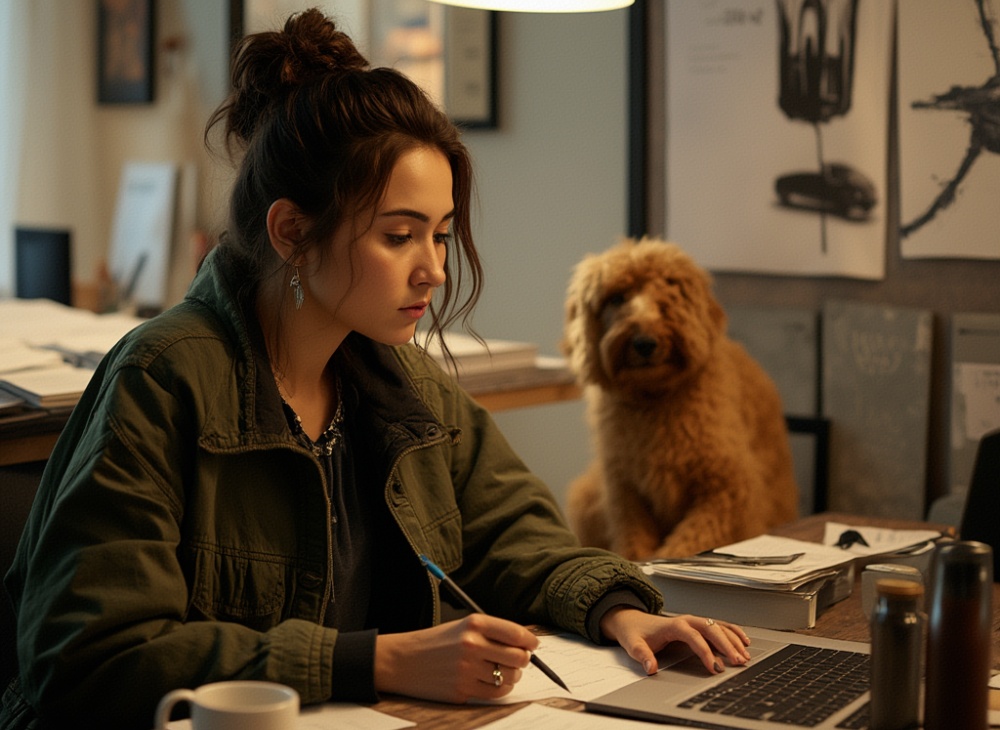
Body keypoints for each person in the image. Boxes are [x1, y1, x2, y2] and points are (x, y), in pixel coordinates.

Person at [0, 9, 750, 729]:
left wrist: (615, 609)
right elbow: (87, 658)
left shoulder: (399, 382)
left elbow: (513, 533)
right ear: (293, 231)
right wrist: (375, 661)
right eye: (399, 236)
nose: (434, 272)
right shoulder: (163, 379)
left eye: (442, 236)